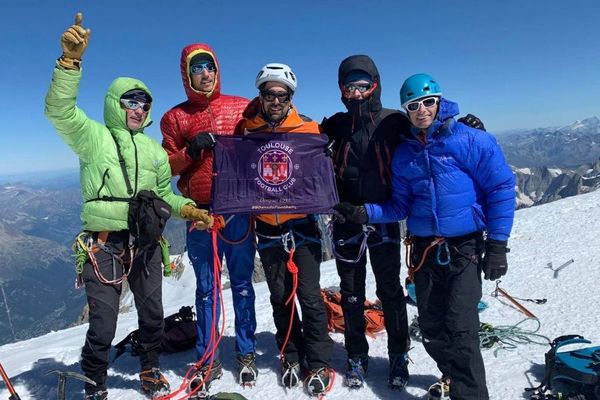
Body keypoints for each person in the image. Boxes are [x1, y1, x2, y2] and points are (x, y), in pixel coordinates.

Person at [44, 14, 214, 400]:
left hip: (147, 243)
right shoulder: (94, 139)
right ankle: (94, 380)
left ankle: (151, 369)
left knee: (152, 313)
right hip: (103, 244)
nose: (138, 108)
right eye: (131, 101)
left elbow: (164, 195)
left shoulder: (154, 151)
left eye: (144, 103)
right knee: (103, 323)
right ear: (115, 104)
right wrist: (69, 64)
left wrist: (189, 210)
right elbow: (60, 112)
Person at [334, 73, 515, 400]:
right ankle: (452, 372)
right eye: (413, 105)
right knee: (431, 330)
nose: (422, 110)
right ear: (406, 109)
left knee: (461, 329)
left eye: (428, 102)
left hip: (465, 247)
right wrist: (365, 213)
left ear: (440, 101)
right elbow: (399, 205)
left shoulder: (471, 139)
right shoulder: (404, 154)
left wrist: (498, 245)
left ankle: (468, 392)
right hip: (425, 251)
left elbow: (500, 188)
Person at [160, 44, 258, 392]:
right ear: (186, 74)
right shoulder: (175, 118)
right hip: (199, 211)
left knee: (244, 285)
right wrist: (191, 150)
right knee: (206, 289)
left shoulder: (241, 105)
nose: (205, 73)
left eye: (209, 67)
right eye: (197, 68)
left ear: (217, 70)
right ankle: (207, 358)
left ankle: (246, 352)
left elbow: (263, 146)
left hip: (238, 209)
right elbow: (166, 167)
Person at [234, 63, 334, 397]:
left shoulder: (308, 129)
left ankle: (318, 361)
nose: (275, 100)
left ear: (290, 97)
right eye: (269, 93)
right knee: (280, 297)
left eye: (282, 94)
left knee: (309, 296)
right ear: (260, 95)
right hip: (267, 229)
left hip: (301, 227)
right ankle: (290, 354)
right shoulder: (247, 130)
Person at [320, 55, 411, 390]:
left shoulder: (395, 122)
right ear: (342, 90)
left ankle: (399, 353)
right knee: (352, 293)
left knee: (390, 290)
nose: (356, 92)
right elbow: (297, 145)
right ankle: (356, 355)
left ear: (375, 85)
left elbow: (430, 137)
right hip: (346, 220)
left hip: (383, 217)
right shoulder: (334, 126)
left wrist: (462, 127)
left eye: (363, 84)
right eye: (350, 85)